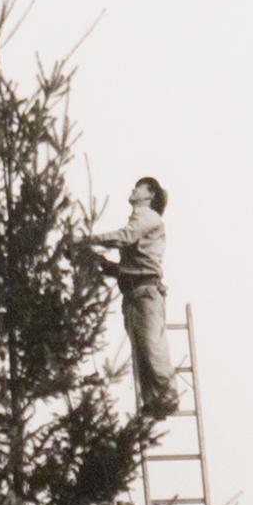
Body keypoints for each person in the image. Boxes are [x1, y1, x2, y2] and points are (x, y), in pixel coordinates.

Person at [81, 178, 178, 416]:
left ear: (150, 194)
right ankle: (154, 402)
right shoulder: (140, 221)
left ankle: (167, 398)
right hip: (134, 293)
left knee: (152, 346)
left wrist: (89, 240)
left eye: (139, 187)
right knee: (142, 351)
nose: (132, 190)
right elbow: (129, 265)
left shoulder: (147, 216)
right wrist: (104, 265)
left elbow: (124, 237)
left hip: (146, 293)